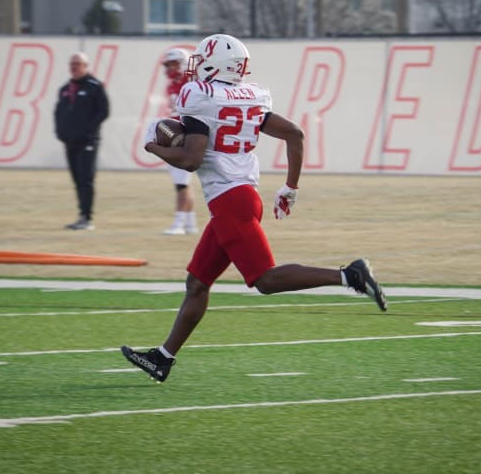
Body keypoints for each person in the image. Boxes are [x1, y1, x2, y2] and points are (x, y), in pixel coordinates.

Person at [121, 34, 387, 383]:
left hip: (232, 202)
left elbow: (190, 159)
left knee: (265, 279)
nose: (196, 67)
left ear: (216, 63)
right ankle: (163, 358)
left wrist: (153, 147)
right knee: (197, 283)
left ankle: (350, 275)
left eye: (202, 61)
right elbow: (295, 134)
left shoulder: (201, 97)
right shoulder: (252, 96)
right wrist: (290, 187)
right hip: (242, 197)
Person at [54, 52, 109, 230]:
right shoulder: (65, 89)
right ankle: (81, 215)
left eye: (78, 64)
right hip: (70, 141)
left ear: (86, 66)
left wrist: (88, 129)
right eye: (72, 64)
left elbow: (103, 111)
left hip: (88, 141)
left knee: (86, 178)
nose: (74, 67)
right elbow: (58, 112)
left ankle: (86, 217)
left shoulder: (94, 86)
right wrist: (60, 131)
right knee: (76, 178)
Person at [160, 48, 198, 235]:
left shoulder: (189, 83)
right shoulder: (172, 85)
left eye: (172, 63)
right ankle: (190, 223)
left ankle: (179, 223)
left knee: (181, 183)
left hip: (186, 135)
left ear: (182, 63)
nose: (168, 68)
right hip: (177, 134)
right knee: (183, 182)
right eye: (167, 64)